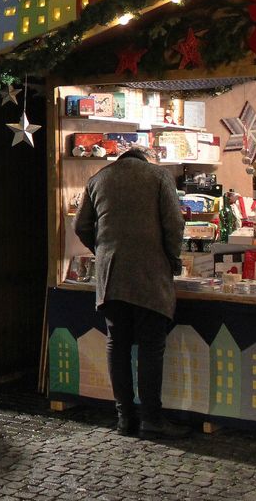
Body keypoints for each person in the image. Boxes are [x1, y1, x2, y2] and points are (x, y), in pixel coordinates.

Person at [74, 147, 188, 440]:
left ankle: (124, 417)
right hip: (149, 275)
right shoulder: (159, 177)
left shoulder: (98, 179)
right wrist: (173, 260)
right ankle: (151, 418)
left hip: (111, 277)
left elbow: (80, 225)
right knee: (151, 346)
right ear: (144, 159)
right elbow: (174, 225)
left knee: (118, 344)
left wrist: (101, 251)